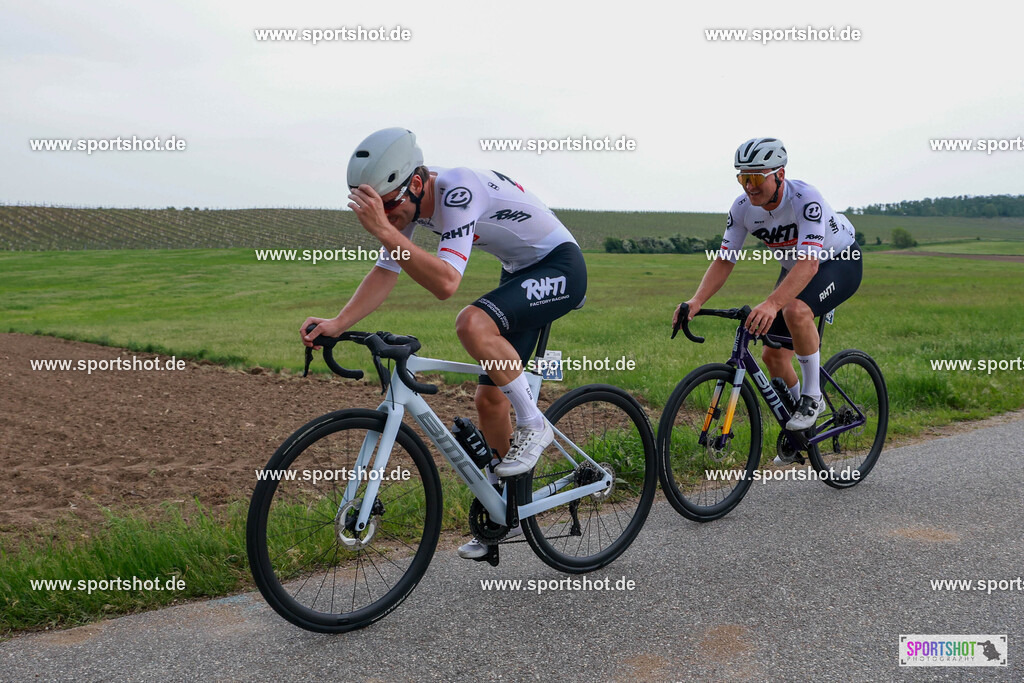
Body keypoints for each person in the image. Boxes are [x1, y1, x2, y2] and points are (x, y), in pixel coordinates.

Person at [301, 127, 587, 556]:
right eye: (374, 209)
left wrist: (385, 231)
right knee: (489, 401)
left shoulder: (458, 191)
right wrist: (339, 322)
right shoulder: (410, 205)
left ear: (416, 183)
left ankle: (535, 424)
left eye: (390, 205)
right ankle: (503, 511)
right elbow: (388, 269)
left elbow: (447, 283)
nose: (387, 216)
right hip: (520, 272)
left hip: (561, 266)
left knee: (471, 323)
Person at [673, 137, 862, 463]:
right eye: (743, 178)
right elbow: (725, 260)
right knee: (773, 357)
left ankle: (812, 398)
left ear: (780, 174)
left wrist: (772, 303)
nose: (750, 186)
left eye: (757, 177)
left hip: (837, 260)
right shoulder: (743, 208)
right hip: (796, 267)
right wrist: (697, 300)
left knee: (795, 310)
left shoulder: (806, 199)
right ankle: (799, 430)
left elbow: (810, 264)